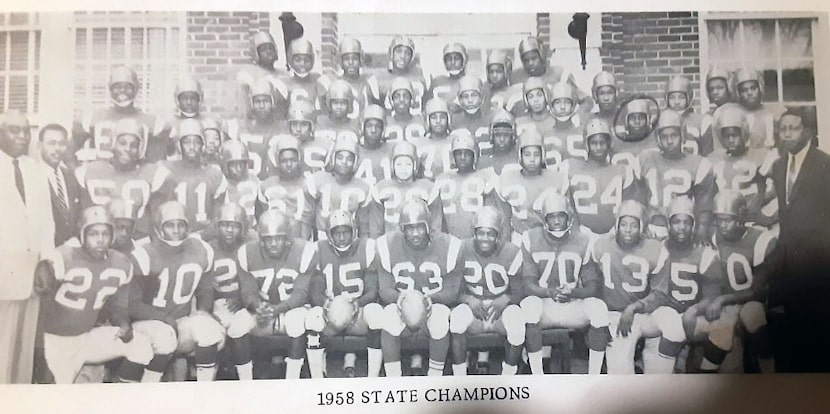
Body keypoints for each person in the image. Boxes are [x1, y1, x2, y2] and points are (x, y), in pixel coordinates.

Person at [41, 206, 152, 384]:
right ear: (82, 234)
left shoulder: (121, 263)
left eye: (105, 234)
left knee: (140, 345)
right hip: (57, 342)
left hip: (87, 337)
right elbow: (40, 306)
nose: (100, 240)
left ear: (112, 236)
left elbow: (117, 306)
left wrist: (123, 323)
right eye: (93, 234)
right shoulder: (62, 257)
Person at [620, 197, 722, 374]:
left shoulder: (704, 254)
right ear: (668, 224)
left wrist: (695, 309)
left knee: (725, 335)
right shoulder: (657, 249)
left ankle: (703, 368)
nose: (681, 227)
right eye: (676, 222)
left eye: (687, 222)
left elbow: (712, 294)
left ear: (694, 225)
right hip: (662, 317)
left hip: (693, 318)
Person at [129, 201, 224, 382]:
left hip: (179, 323)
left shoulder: (201, 250)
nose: (176, 230)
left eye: (181, 224)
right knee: (164, 336)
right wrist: (164, 318)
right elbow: (131, 305)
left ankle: (204, 393)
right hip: (145, 325)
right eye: (170, 225)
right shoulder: (143, 254)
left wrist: (203, 312)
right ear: (158, 228)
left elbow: (205, 289)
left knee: (210, 330)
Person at [520, 193, 610, 375]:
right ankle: (538, 374)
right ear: (544, 219)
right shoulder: (530, 238)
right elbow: (528, 285)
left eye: (561, 216)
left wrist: (573, 292)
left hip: (570, 306)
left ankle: (594, 375)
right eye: (551, 216)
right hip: (544, 305)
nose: (557, 221)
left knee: (599, 308)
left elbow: (593, 286)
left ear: (569, 217)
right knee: (530, 306)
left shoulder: (583, 240)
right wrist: (549, 292)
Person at [770, 107, 830, 372]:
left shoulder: (824, 164)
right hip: (788, 266)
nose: (787, 134)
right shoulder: (779, 166)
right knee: (790, 335)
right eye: (782, 129)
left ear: (807, 131)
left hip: (818, 265)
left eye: (792, 128)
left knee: (818, 336)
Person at [689, 190, 776, 373]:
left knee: (753, 314)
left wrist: (723, 300)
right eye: (719, 219)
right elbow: (711, 281)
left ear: (741, 217)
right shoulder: (713, 238)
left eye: (727, 219)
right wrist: (714, 301)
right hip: (728, 305)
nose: (722, 225)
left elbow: (759, 290)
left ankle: (769, 371)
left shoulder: (761, 239)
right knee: (722, 332)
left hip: (752, 303)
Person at [373, 198, 462, 376]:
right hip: (402, 303)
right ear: (402, 228)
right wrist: (400, 299)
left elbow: (452, 291)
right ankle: (393, 378)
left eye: (419, 227)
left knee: (440, 318)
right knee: (389, 316)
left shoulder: (449, 245)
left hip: (434, 303)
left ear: (428, 226)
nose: (415, 233)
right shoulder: (386, 245)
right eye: (410, 228)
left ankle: (434, 376)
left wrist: (431, 299)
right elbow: (384, 289)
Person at [0, 110, 56, 384]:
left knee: (23, 351)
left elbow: (46, 220)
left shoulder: (35, 170)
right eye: (13, 130)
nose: (22, 136)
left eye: (25, 130)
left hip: (31, 274)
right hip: (3, 273)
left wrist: (45, 261)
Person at [237, 209, 316, 379]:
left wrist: (277, 309)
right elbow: (247, 291)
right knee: (238, 323)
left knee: (297, 321)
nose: (273, 243)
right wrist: (257, 307)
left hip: (290, 309)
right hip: (264, 312)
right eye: (268, 239)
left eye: (278, 238)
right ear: (261, 240)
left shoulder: (304, 250)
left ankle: (292, 380)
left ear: (287, 238)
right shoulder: (246, 253)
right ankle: (245, 382)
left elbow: (301, 293)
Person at [449, 206, 526, 376]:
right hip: (474, 309)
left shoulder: (511, 252)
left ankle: (508, 376)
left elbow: (521, 291)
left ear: (498, 235)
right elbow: (453, 290)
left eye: (490, 233)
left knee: (518, 323)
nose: (485, 238)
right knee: (456, 320)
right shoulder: (461, 249)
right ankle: (459, 376)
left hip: (500, 311)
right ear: (474, 232)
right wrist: (468, 299)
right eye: (481, 233)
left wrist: (506, 298)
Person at [592, 200, 666, 374]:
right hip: (615, 315)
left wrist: (634, 308)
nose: (628, 229)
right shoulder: (600, 245)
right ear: (616, 224)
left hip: (646, 313)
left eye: (634, 225)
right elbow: (593, 286)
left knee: (671, 328)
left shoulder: (655, 248)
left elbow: (661, 293)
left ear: (642, 227)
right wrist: (599, 321)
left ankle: (651, 353)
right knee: (620, 376)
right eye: (623, 224)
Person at [306, 210, 383, 378]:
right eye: (337, 233)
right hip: (330, 315)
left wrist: (357, 303)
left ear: (354, 232)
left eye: (346, 232)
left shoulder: (367, 247)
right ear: (329, 234)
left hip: (358, 313)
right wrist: (326, 305)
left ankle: (373, 378)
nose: (341, 237)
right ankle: (317, 378)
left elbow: (372, 291)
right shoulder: (318, 249)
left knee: (376, 313)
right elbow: (315, 293)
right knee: (313, 317)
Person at [75, 118, 174, 239]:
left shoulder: (155, 174)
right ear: (113, 143)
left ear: (140, 148)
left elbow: (156, 221)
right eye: (122, 143)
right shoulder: (89, 172)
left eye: (134, 145)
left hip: (139, 242)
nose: (127, 148)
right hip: (99, 242)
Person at [639, 109, 715, 243]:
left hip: (683, 228)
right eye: (664, 137)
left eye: (674, 135)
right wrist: (642, 224)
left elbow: (704, 204)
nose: (669, 141)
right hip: (653, 227)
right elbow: (638, 198)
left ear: (682, 135)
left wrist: (701, 230)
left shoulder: (698, 164)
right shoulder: (646, 158)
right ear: (657, 138)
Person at [489, 128, 570, 246]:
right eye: (527, 154)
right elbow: (505, 219)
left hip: (549, 237)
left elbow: (568, 214)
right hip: (519, 236)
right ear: (519, 155)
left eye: (536, 154)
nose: (532, 159)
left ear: (543, 155)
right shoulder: (507, 179)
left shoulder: (557, 179)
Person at [205, 203, 258, 381]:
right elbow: (202, 285)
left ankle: (245, 380)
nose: (229, 230)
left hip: (243, 304)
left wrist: (243, 300)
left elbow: (258, 280)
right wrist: (208, 307)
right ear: (217, 226)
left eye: (235, 226)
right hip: (216, 303)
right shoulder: (207, 249)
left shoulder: (250, 247)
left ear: (242, 228)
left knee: (239, 326)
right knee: (210, 331)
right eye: (225, 225)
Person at [559, 118, 637, 237]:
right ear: (586, 144)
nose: (599, 147)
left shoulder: (623, 171)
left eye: (602, 143)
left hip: (615, 235)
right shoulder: (571, 168)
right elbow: (567, 204)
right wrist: (577, 227)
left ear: (609, 143)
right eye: (594, 143)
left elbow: (629, 207)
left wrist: (616, 230)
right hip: (581, 234)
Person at [72, 65, 165, 163]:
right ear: (110, 89)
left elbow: (156, 161)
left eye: (127, 86)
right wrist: (76, 171)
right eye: (117, 86)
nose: (122, 90)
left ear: (136, 89)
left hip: (135, 176)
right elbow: (68, 150)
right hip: (102, 176)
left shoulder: (151, 122)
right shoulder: (92, 118)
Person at [708, 105, 779, 228]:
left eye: (734, 134)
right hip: (725, 224)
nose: (730, 140)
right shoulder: (714, 159)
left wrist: (767, 215)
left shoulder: (761, 156)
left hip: (753, 223)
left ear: (744, 132)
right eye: (726, 135)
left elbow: (783, 188)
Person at [302, 134, 372, 240]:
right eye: (340, 157)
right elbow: (307, 217)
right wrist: (305, 242)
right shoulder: (318, 180)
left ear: (355, 162)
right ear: (332, 158)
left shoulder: (363, 187)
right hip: (322, 237)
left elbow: (364, 225)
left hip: (349, 238)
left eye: (349, 159)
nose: (344, 162)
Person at [368, 140, 441, 238]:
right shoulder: (380, 188)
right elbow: (375, 227)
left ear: (415, 165)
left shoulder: (428, 188)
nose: (403, 168)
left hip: (419, 243)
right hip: (390, 244)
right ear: (392, 165)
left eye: (408, 164)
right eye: (399, 164)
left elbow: (435, 226)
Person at [433, 129, 496, 239]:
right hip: (450, 239)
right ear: (453, 156)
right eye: (458, 153)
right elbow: (437, 217)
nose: (462, 157)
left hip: (479, 240)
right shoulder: (442, 179)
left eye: (467, 153)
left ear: (474, 156)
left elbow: (492, 214)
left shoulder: (486, 177)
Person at [39, 123, 89, 246]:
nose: (57, 148)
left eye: (61, 144)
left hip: (71, 253)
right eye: (51, 143)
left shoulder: (70, 176)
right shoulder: (31, 176)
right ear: (39, 146)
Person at [259, 135, 311, 239]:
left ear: (300, 159)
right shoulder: (266, 185)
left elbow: (309, 220)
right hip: (273, 238)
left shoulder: (308, 184)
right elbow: (262, 217)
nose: (289, 164)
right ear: (277, 161)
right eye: (284, 161)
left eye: (293, 160)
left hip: (299, 237)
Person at [409, 97, 452, 179]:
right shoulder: (418, 144)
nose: (438, 121)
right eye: (433, 117)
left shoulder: (456, 141)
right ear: (427, 120)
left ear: (448, 119)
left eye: (442, 117)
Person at [663, 75, 707, 156]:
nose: (676, 102)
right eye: (672, 98)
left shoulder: (701, 122)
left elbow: (708, 153)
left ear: (689, 98)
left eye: (681, 97)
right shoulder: (661, 121)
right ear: (666, 99)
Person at [354, 104, 393, 186]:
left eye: (378, 126)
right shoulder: (354, 150)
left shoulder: (392, 150)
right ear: (362, 127)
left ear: (383, 129)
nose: (373, 130)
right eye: (369, 126)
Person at [477, 108, 519, 175]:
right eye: (498, 135)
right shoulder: (483, 161)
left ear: (513, 136)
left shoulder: (518, 160)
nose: (502, 139)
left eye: (506, 135)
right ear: (491, 136)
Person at [384, 77, 427, 142]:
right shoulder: (385, 122)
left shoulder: (422, 121)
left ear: (411, 99)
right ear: (391, 100)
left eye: (406, 96)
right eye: (397, 96)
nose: (401, 100)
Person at [427, 42, 469, 106]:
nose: (453, 62)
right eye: (449, 59)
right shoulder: (437, 82)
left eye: (457, 58)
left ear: (464, 60)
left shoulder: (471, 81)